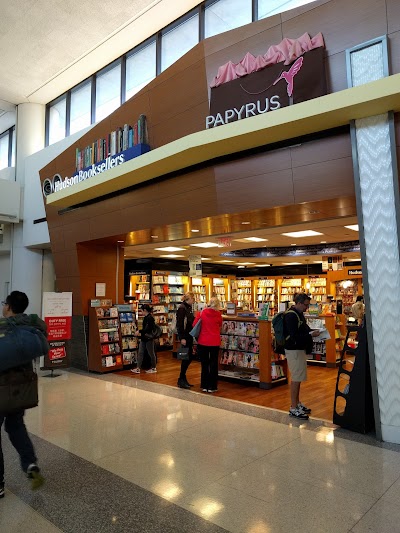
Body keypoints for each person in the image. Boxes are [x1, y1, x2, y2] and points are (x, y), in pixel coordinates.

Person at [0, 291, 47, 498]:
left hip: (1, 388)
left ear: (8, 307)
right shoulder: (29, 327)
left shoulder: (3, 328)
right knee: (15, 425)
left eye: (4, 304)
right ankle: (30, 463)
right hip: (21, 389)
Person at [283, 292, 320, 420]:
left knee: (298, 377)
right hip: (293, 350)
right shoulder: (291, 316)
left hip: (298, 349)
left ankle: (297, 403)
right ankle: (293, 407)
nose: (307, 308)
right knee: (296, 378)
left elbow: (304, 329)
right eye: (305, 305)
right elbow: (294, 336)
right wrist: (310, 335)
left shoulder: (299, 314)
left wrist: (314, 332)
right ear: (298, 303)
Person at [193, 297, 222, 393]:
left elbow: (194, 324)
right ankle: (212, 386)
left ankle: (204, 385)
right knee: (214, 364)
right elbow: (220, 325)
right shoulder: (218, 314)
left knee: (204, 364)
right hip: (214, 341)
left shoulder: (201, 313)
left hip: (203, 341)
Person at [176, 292, 195, 389]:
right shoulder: (182, 308)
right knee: (185, 357)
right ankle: (181, 378)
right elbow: (179, 324)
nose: (194, 300)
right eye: (193, 298)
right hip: (185, 336)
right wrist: (181, 337)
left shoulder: (188, 308)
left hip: (189, 335)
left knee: (188, 356)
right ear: (189, 299)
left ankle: (182, 377)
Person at [131, 304, 157, 374]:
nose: (141, 312)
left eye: (141, 311)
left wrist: (139, 331)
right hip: (145, 338)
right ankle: (138, 368)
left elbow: (148, 329)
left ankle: (154, 367)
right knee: (141, 352)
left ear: (145, 310)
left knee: (150, 353)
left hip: (148, 338)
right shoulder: (147, 317)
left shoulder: (149, 318)